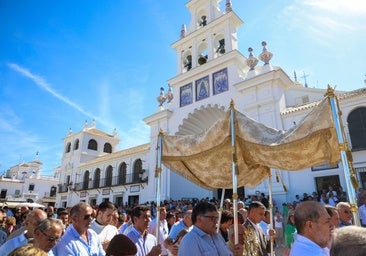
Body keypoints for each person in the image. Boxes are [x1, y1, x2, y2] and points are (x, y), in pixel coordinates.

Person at [178, 201, 242, 256]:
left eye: (216, 218)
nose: (216, 221)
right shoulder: (189, 240)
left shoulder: (217, 236)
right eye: (212, 218)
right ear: (199, 219)